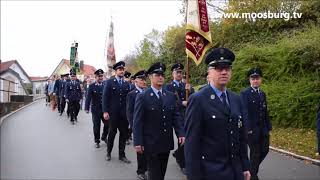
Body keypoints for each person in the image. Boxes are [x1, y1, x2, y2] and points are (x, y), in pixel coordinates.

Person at [184, 48, 251, 180]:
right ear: (209, 72)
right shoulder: (198, 100)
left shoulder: (236, 99)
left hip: (235, 171)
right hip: (211, 172)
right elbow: (192, 143)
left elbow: (240, 138)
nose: (224, 72)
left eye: (227, 68)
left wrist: (245, 166)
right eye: (219, 68)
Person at [133, 62, 185, 180]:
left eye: (162, 74)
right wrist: (137, 141)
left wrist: (181, 133)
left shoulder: (170, 96)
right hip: (150, 143)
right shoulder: (143, 96)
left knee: (162, 172)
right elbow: (137, 121)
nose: (161, 77)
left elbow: (176, 116)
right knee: (155, 174)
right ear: (150, 77)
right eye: (157, 75)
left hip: (165, 142)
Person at [240, 68, 272, 180]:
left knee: (265, 150)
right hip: (252, 130)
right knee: (255, 154)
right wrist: (247, 128)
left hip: (263, 129)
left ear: (261, 79)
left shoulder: (262, 94)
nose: (255, 81)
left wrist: (269, 127)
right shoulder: (245, 93)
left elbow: (265, 110)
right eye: (253, 79)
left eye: (257, 78)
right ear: (249, 80)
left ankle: (250, 170)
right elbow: (244, 111)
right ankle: (253, 176)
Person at [165, 62, 194, 174]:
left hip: (187, 115)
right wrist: (181, 102)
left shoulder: (185, 85)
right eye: (177, 72)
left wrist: (190, 90)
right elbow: (169, 102)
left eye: (181, 72)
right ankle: (182, 163)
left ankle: (178, 154)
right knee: (182, 139)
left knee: (188, 138)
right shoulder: (169, 87)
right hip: (176, 116)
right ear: (173, 73)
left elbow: (193, 99)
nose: (179, 74)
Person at [102, 61, 131, 163]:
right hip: (113, 114)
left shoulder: (127, 84)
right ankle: (108, 152)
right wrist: (105, 111)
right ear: (115, 71)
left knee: (123, 135)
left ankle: (121, 155)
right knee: (112, 134)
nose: (122, 71)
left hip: (124, 115)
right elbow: (105, 98)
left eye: (123, 69)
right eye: (120, 69)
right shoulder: (109, 82)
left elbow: (129, 100)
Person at [126, 70, 148, 180]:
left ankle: (147, 167)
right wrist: (132, 126)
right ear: (135, 81)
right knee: (140, 148)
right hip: (138, 125)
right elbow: (129, 112)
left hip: (149, 125)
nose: (144, 81)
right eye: (141, 79)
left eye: (145, 79)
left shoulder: (149, 92)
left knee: (149, 148)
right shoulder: (131, 95)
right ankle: (141, 170)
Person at [85, 69, 109, 148]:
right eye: (99, 76)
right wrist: (87, 108)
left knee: (107, 124)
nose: (100, 77)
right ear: (95, 77)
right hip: (95, 110)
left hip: (105, 109)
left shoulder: (106, 84)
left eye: (101, 76)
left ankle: (104, 136)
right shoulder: (92, 86)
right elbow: (88, 98)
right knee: (96, 126)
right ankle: (97, 140)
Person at [124, 70, 134, 145]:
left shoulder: (132, 85)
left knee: (131, 122)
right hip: (124, 107)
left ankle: (129, 135)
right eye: (126, 77)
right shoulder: (122, 85)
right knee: (126, 123)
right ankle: (126, 137)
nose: (127, 79)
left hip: (131, 106)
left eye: (128, 77)